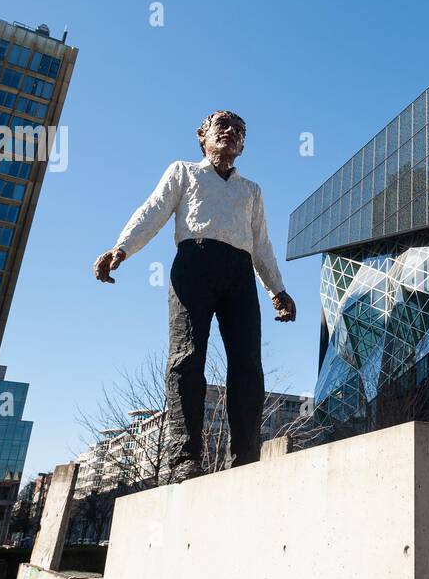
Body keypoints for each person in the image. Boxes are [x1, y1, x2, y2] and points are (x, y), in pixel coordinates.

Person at [92, 110, 296, 482]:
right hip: (193, 266)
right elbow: (152, 211)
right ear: (203, 136)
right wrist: (121, 249)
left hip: (239, 273)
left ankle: (246, 456)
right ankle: (184, 459)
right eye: (223, 126)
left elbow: (261, 244)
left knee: (248, 365)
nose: (232, 133)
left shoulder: (252, 190)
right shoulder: (183, 172)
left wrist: (277, 290)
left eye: (240, 131)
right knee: (186, 359)